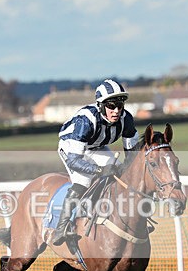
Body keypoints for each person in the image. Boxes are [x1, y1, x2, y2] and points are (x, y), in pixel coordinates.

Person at [51, 78, 139, 246]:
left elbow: (131, 155)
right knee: (83, 181)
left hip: (96, 146)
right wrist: (99, 171)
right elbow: (74, 161)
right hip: (72, 149)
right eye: (111, 106)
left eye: (120, 106)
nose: (116, 111)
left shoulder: (126, 119)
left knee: (119, 171)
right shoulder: (85, 121)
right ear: (101, 106)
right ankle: (60, 228)